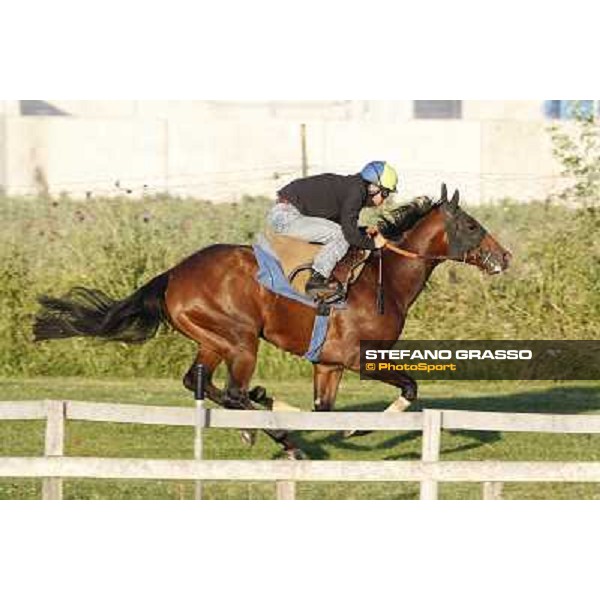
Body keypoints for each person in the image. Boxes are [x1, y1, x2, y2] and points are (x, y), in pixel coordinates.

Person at [266, 161, 398, 297]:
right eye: (385, 193)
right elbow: (349, 235)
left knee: (338, 233)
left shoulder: (352, 187)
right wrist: (373, 244)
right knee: (339, 235)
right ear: (373, 187)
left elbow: (347, 226)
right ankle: (316, 281)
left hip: (286, 212)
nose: (385, 200)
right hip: (286, 215)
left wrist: (362, 231)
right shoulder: (356, 192)